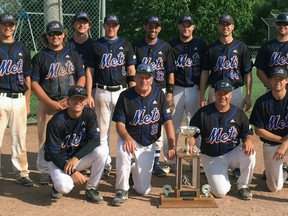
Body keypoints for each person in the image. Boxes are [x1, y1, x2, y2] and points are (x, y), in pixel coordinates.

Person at [111, 63, 176, 206]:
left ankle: (133, 171)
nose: (144, 80)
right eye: (140, 77)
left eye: (147, 77)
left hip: (148, 143)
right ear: (135, 77)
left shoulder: (159, 95)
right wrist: (127, 138)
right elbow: (119, 124)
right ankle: (121, 189)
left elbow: (168, 122)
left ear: (152, 79)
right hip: (130, 138)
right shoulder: (125, 96)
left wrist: (172, 145)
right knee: (123, 150)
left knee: (143, 190)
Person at [31, 21, 86, 185]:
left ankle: (71, 166)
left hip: (70, 102)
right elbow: (34, 83)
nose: (55, 36)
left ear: (64, 35)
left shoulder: (73, 54)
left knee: (72, 136)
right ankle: (45, 171)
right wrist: (49, 102)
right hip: (48, 103)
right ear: (46, 36)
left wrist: (74, 96)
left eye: (58, 33)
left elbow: (81, 76)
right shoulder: (40, 57)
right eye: (51, 34)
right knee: (44, 138)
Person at [85, 15, 137, 179]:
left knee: (127, 129)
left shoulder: (125, 44)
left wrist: (134, 92)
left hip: (122, 91)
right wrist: (88, 94)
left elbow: (131, 70)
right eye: (108, 24)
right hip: (102, 91)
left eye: (114, 25)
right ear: (103, 26)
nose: (111, 27)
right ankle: (105, 164)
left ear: (118, 27)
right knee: (102, 131)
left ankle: (128, 163)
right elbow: (90, 71)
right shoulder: (96, 45)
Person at [189, 80, 256, 200]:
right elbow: (192, 133)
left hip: (232, 153)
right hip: (211, 157)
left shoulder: (238, 114)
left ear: (231, 95)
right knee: (220, 193)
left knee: (250, 153)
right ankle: (218, 175)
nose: (222, 96)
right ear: (215, 94)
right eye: (219, 93)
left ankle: (243, 186)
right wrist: (190, 144)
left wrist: (248, 140)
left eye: (226, 93)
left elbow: (248, 133)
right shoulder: (203, 113)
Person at [44, 85, 108, 202]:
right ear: (68, 101)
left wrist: (76, 158)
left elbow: (95, 140)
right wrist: (73, 173)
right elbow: (52, 153)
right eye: (75, 98)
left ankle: (91, 188)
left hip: (76, 159)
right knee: (65, 186)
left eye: (81, 99)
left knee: (102, 152)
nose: (78, 101)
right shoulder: (56, 122)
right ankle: (56, 187)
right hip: (58, 161)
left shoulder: (89, 114)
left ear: (85, 102)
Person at [163, 16, 207, 173]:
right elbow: (169, 70)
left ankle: (196, 158)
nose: (186, 28)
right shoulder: (172, 45)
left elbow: (204, 70)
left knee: (196, 126)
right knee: (172, 124)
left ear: (193, 27)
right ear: (179, 27)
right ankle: (171, 159)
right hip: (177, 89)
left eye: (189, 25)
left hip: (194, 89)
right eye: (183, 25)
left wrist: (202, 93)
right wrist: (169, 91)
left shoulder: (201, 44)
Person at [134, 16, 176, 177]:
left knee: (157, 127)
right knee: (139, 124)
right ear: (145, 27)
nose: (153, 29)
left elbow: (170, 71)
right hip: (141, 90)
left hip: (159, 91)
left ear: (159, 29)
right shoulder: (137, 46)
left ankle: (156, 162)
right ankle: (136, 159)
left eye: (156, 26)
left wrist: (170, 92)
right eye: (150, 26)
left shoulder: (165, 47)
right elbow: (132, 70)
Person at [0, 13, 33, 186]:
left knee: (20, 137)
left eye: (10, 24)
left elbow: (27, 77)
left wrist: (27, 103)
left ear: (14, 27)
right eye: (4, 23)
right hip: (1, 97)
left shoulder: (22, 48)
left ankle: (22, 173)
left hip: (19, 98)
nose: (8, 27)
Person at [200, 14, 252, 111]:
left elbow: (248, 73)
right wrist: (202, 95)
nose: (225, 27)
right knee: (214, 121)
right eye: (223, 24)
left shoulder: (241, 47)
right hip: (215, 90)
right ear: (219, 27)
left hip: (235, 90)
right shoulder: (211, 48)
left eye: (228, 24)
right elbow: (205, 72)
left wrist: (248, 95)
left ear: (232, 26)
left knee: (235, 121)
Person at [250, 67, 288, 192]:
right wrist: (281, 140)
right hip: (271, 144)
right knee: (274, 188)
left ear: (286, 80)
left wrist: (285, 143)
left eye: (281, 79)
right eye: (275, 78)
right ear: (270, 81)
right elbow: (259, 130)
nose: (278, 81)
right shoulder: (262, 102)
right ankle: (283, 170)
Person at [254, 12, 288, 90]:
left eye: (285, 24)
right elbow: (259, 70)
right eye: (279, 23)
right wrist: (271, 86)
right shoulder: (267, 46)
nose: (282, 26)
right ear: (276, 26)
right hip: (271, 89)